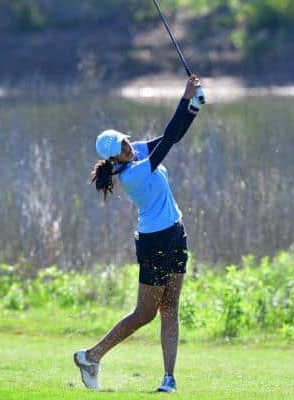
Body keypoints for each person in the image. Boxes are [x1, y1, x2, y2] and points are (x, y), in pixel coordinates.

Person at [74, 75, 202, 393]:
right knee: (145, 313)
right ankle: (91, 356)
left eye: (126, 141)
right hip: (154, 242)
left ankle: (169, 379)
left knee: (170, 307)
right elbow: (170, 139)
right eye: (123, 148)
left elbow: (169, 137)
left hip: (175, 233)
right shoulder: (132, 173)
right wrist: (186, 98)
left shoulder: (136, 155)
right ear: (114, 159)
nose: (129, 147)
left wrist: (193, 107)